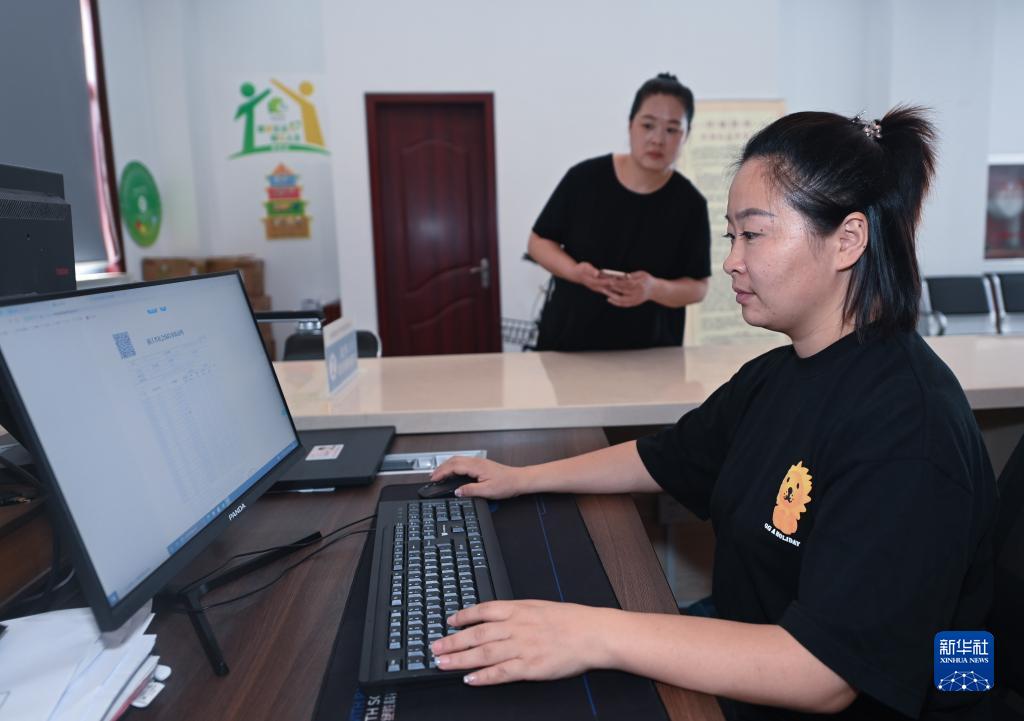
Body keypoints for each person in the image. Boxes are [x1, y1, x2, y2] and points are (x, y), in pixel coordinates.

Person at [430, 107, 997, 720]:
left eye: (753, 234)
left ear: (848, 240)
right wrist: (522, 479)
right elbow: (665, 457)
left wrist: (589, 634)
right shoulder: (780, 373)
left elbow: (822, 673)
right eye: (732, 237)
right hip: (749, 644)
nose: (731, 261)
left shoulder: (907, 429)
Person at [528, 73, 711, 351]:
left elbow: (698, 287)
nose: (657, 139)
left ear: (686, 135)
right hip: (569, 346)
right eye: (648, 125)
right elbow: (538, 242)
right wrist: (575, 272)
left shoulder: (690, 203)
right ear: (630, 125)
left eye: (672, 129)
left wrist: (653, 289)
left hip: (650, 353)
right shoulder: (583, 179)